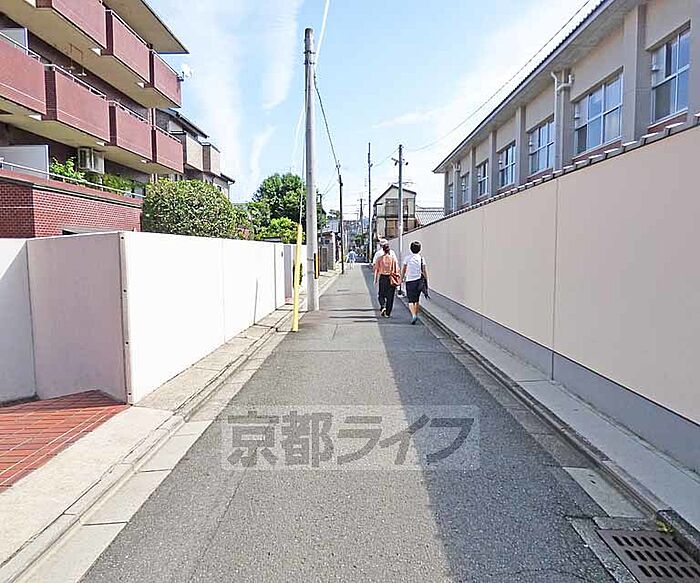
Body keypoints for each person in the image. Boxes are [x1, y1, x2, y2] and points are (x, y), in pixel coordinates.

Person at [402, 240, 428, 325]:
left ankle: (413, 315)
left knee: (410, 300)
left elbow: (404, 270)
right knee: (416, 300)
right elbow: (424, 271)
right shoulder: (421, 258)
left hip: (410, 281)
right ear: (419, 249)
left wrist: (401, 279)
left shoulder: (407, 258)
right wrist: (426, 280)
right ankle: (416, 315)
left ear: (411, 249)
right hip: (419, 281)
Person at [373, 242, 399, 318]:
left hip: (383, 277)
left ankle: (383, 306)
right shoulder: (393, 259)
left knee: (381, 294)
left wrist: (375, 279)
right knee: (390, 296)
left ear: (383, 250)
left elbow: (376, 269)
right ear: (389, 250)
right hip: (391, 278)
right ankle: (387, 313)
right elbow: (396, 270)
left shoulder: (379, 259)